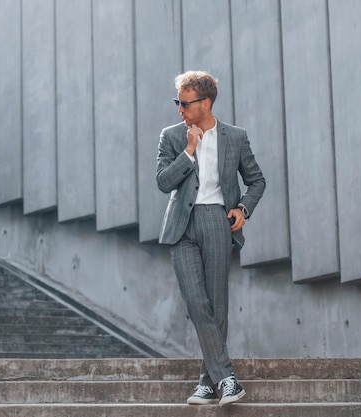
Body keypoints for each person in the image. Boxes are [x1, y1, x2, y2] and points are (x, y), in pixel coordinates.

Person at [156, 70, 265, 407]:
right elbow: (162, 181)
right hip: (182, 226)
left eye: (185, 102)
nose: (179, 108)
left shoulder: (235, 136)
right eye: (178, 101)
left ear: (205, 102)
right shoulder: (172, 136)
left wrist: (243, 209)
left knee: (217, 304)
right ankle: (227, 379)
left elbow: (257, 180)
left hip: (218, 221)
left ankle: (207, 382)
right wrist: (188, 152)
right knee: (196, 302)